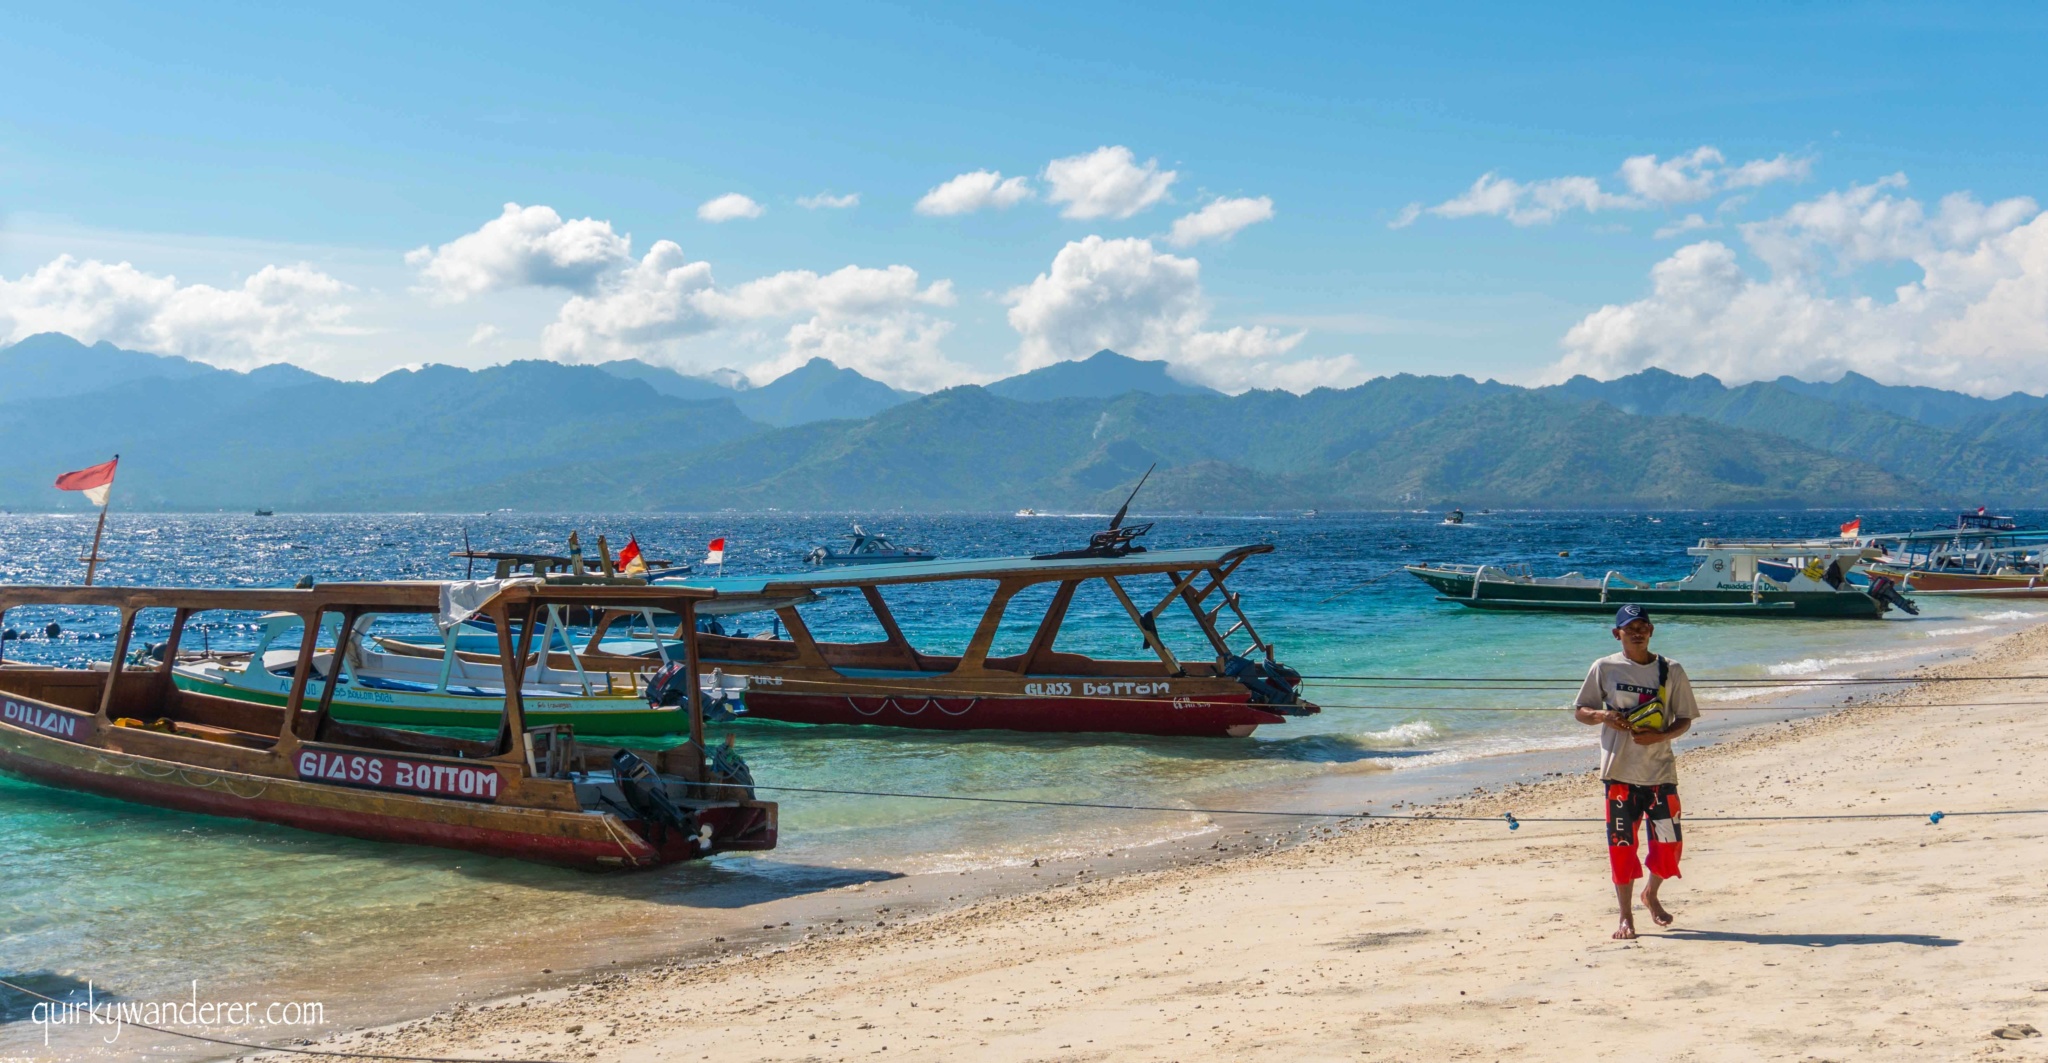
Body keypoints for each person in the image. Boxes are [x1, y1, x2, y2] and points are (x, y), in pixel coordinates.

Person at [1574, 604, 1699, 940]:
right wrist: (1603, 717)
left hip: (1660, 774)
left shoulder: (1671, 670)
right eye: (1630, 628)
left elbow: (1685, 719)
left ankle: (1651, 893)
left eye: (1643, 626)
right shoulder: (1604, 667)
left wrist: (1662, 735)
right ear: (1618, 634)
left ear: (1652, 630)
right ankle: (1625, 916)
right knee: (1621, 847)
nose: (1637, 632)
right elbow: (1581, 711)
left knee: (1669, 843)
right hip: (1619, 775)